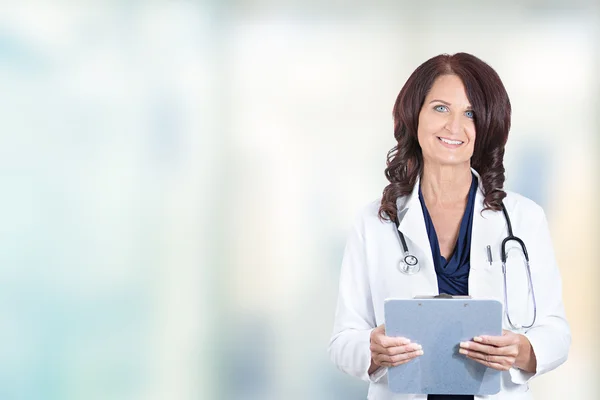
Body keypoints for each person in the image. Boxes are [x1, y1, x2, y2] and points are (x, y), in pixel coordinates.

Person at [328, 53, 571, 400]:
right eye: (440, 108)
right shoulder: (374, 222)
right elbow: (342, 341)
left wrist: (522, 349)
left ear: (487, 124)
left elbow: (557, 332)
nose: (454, 126)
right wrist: (371, 349)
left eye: (470, 113)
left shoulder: (523, 218)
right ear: (415, 115)